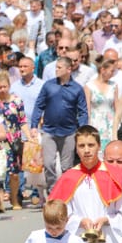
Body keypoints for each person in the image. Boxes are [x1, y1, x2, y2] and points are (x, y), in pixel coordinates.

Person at [31, 56, 89, 189]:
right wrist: (34, 125)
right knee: (49, 164)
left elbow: (83, 111)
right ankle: (52, 192)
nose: (56, 70)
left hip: (69, 132)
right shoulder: (48, 85)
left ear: (68, 69)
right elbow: (39, 105)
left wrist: (82, 129)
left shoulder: (77, 88)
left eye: (59, 67)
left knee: (67, 167)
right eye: (56, 67)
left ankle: (67, 192)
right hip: (49, 131)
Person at [0, 71, 31, 210]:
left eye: (4, 86)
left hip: (14, 141)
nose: (2, 90)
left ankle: (15, 198)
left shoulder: (17, 101)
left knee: (14, 173)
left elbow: (22, 121)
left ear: (9, 86)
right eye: (0, 87)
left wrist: (29, 136)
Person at [85, 59, 118, 150]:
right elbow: (87, 108)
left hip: (110, 123)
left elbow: (117, 107)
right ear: (103, 70)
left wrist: (116, 124)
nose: (112, 74)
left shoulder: (114, 85)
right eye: (111, 71)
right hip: (95, 122)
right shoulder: (89, 86)